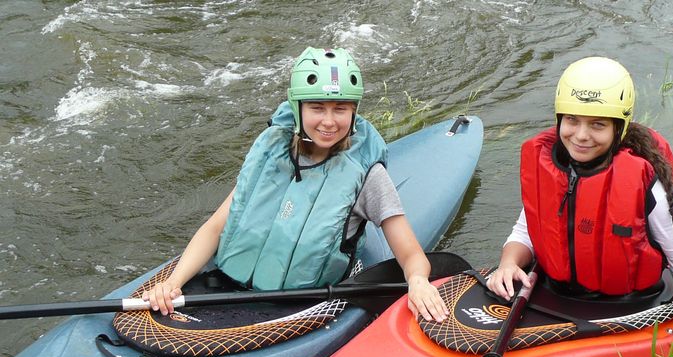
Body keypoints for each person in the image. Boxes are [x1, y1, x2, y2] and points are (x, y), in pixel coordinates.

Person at [142, 47, 448, 323]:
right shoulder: (271, 150)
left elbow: (411, 255)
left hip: (302, 303)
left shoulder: (368, 176)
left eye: (340, 109)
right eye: (317, 107)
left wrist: (418, 281)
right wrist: (174, 282)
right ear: (297, 107)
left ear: (353, 112)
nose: (329, 121)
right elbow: (216, 227)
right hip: (225, 282)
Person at [486, 56, 673, 357]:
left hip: (631, 306)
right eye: (572, 121)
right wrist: (509, 262)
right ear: (559, 119)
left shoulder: (646, 181)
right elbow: (526, 229)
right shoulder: (547, 166)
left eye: (597, 124)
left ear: (618, 128)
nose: (581, 135)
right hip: (557, 297)